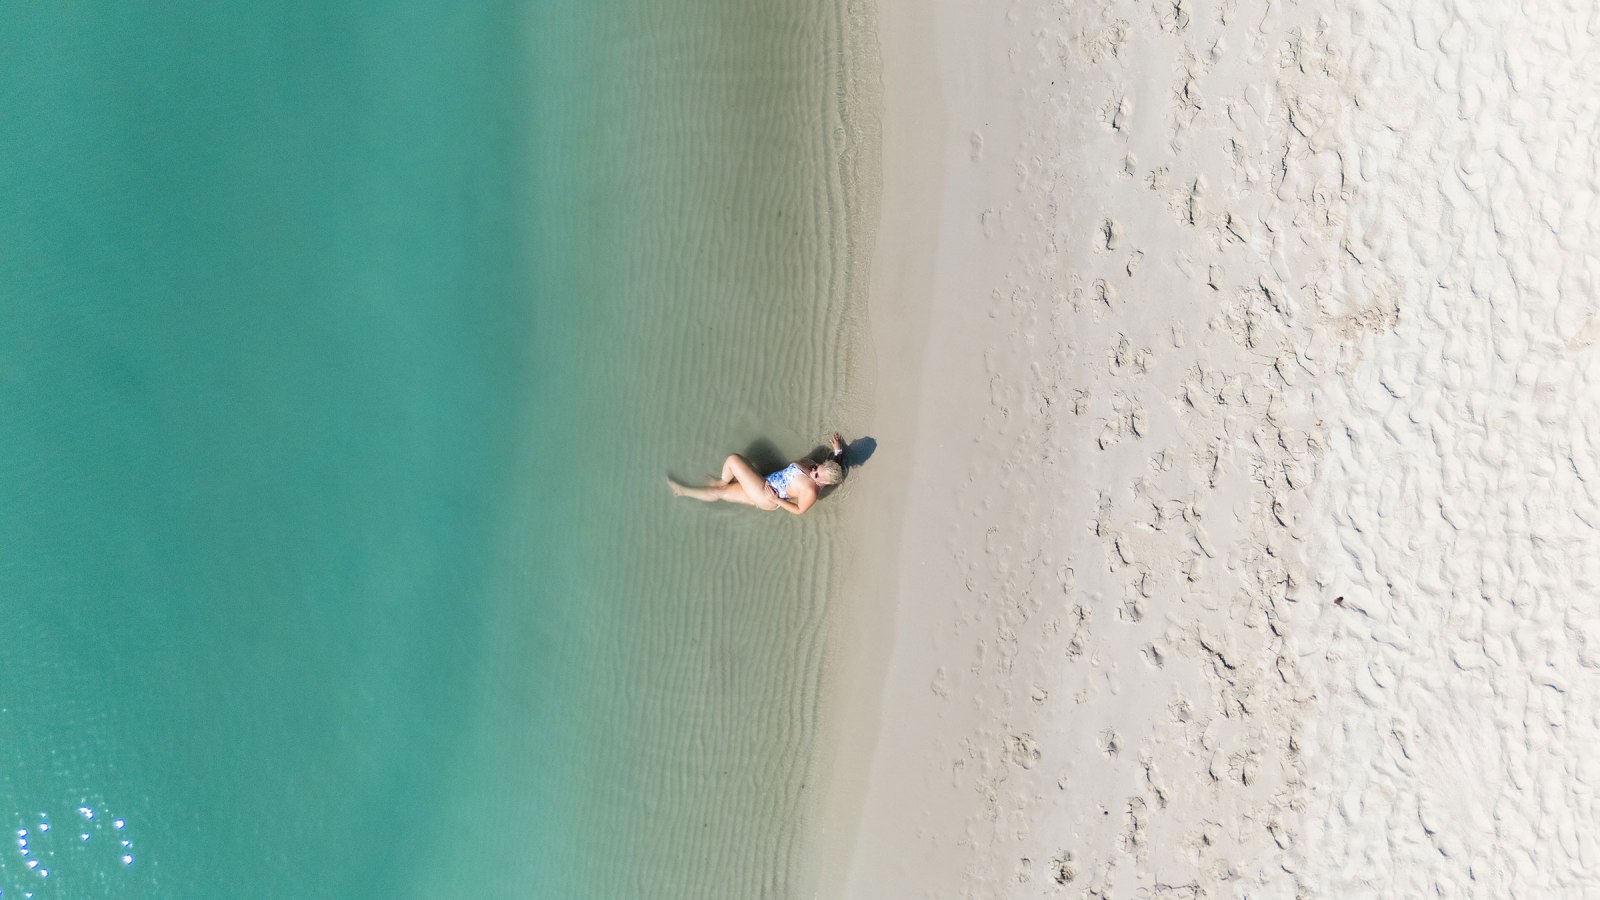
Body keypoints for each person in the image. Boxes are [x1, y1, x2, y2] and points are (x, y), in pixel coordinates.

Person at [668, 433, 846, 515]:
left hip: (766, 495)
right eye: (817, 467)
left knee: (733, 460)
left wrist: (777, 500)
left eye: (816, 474)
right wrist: (838, 452)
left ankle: (721, 481)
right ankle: (682, 491)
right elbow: (831, 469)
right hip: (766, 483)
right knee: (721, 493)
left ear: (822, 482)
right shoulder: (825, 471)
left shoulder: (811, 492)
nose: (813, 470)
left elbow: (799, 510)